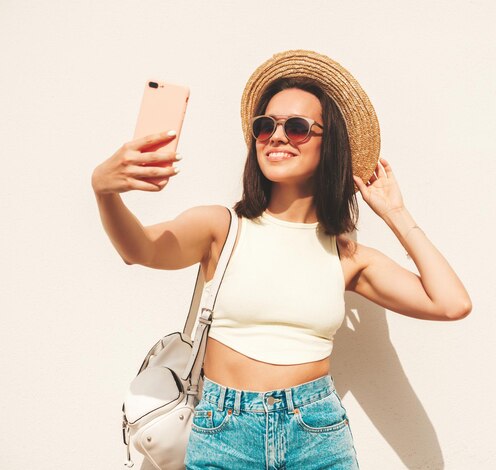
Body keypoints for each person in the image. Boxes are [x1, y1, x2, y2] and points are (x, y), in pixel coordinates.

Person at [92, 50, 472, 470]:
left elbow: (451, 303)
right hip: (223, 432)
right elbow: (139, 250)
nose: (276, 136)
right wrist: (105, 192)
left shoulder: (346, 255)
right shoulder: (221, 228)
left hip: (316, 434)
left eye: (297, 127)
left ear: (330, 147)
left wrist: (396, 215)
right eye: (265, 126)